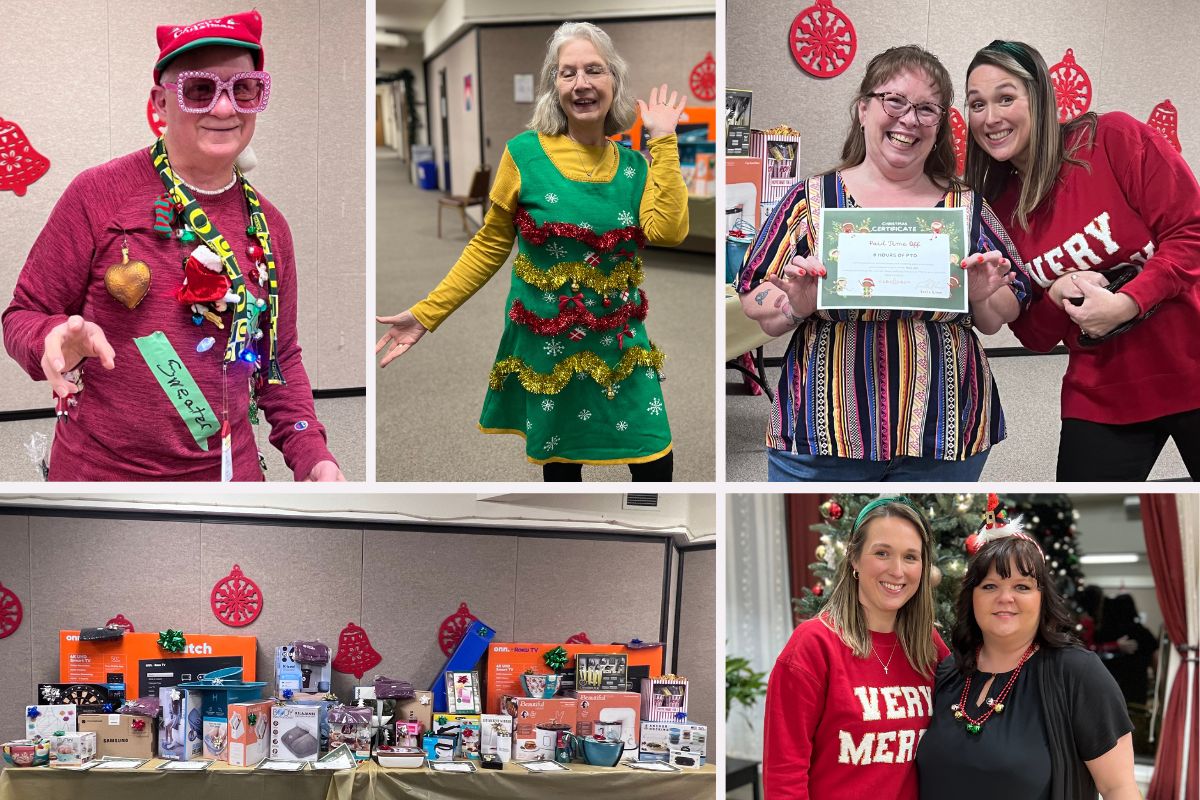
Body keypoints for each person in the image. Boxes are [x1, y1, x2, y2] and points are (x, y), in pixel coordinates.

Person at [3, 10, 343, 481]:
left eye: (243, 88)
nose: (224, 109)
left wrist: (311, 452)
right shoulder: (98, 194)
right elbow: (21, 316)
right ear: (161, 102)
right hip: (101, 474)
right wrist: (53, 339)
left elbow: (279, 357)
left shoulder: (269, 227)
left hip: (228, 472)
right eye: (200, 89)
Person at [375, 21, 688, 482]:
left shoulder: (635, 167)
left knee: (654, 459)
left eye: (594, 70)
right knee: (563, 469)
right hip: (550, 344)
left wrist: (663, 141)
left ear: (614, 82)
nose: (581, 83)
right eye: (568, 73)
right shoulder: (523, 154)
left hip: (620, 344)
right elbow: (487, 246)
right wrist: (427, 313)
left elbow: (670, 230)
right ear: (553, 87)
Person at [736, 46, 1030, 482]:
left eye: (927, 109)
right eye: (894, 101)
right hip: (822, 436)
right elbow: (753, 296)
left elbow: (999, 316)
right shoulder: (811, 199)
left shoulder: (963, 205)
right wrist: (794, 304)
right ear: (863, 109)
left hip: (944, 433)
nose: (909, 120)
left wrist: (982, 295)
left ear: (939, 125)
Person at [965, 40, 1200, 481]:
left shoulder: (1112, 138)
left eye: (1006, 97)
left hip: (1191, 366)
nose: (991, 117)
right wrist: (1054, 296)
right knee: (1087, 519)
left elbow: (1191, 232)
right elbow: (1032, 335)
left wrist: (1128, 302)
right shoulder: (998, 212)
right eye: (977, 104)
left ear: (1040, 97)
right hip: (1102, 393)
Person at [916, 518, 1139, 799]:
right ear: (971, 597)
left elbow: (1118, 788)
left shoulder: (1077, 673)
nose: (1005, 597)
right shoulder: (949, 671)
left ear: (1042, 597)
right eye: (989, 586)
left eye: (1022, 586)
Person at [763, 497, 950, 800]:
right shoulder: (813, 645)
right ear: (854, 558)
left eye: (911, 557)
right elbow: (785, 773)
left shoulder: (928, 644)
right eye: (882, 553)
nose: (897, 571)